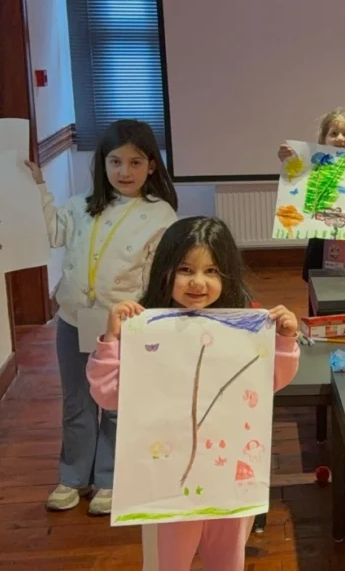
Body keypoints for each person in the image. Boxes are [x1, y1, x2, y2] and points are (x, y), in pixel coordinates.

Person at [86, 216, 301, 570]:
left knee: (228, 560)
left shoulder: (246, 323)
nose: (198, 282)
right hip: (165, 482)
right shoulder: (144, 326)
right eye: (185, 269)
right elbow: (108, 395)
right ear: (165, 270)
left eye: (212, 271)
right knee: (167, 563)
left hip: (228, 477)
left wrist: (284, 339)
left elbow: (269, 382)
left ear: (228, 274)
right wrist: (112, 341)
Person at [26, 119, 179, 515]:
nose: (124, 172)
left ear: (151, 166)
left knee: (115, 402)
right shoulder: (81, 205)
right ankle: (73, 476)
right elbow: (52, 232)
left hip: (123, 328)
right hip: (73, 320)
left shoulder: (160, 215)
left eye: (135, 162)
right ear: (102, 163)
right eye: (115, 162)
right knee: (76, 401)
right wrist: (37, 186)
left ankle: (109, 478)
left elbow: (160, 276)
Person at [278, 108, 345, 300]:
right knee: (319, 292)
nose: (340, 138)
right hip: (320, 240)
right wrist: (288, 161)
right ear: (323, 140)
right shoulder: (314, 167)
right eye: (334, 133)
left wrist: (338, 208)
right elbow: (297, 190)